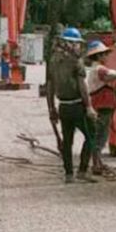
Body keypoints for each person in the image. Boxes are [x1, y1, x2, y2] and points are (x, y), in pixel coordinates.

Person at [46, 27, 98, 183]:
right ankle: (82, 170)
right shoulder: (76, 61)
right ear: (68, 43)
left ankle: (69, 174)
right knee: (91, 135)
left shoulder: (53, 60)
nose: (77, 47)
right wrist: (89, 107)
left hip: (63, 107)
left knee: (67, 141)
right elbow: (82, 86)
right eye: (75, 44)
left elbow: (49, 86)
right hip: (77, 106)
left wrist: (51, 109)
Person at [85, 39, 116, 175]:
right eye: (103, 54)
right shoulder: (100, 70)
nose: (105, 56)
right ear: (98, 56)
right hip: (102, 108)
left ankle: (98, 163)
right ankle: (96, 165)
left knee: (100, 136)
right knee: (100, 137)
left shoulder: (94, 69)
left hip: (101, 106)